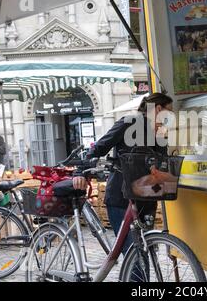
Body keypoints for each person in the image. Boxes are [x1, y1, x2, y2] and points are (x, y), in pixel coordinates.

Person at [72, 93, 173, 255]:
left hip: (146, 200)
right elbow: (99, 147)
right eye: (170, 113)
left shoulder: (160, 133)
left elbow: (162, 163)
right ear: (159, 109)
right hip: (121, 199)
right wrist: (80, 172)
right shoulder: (129, 123)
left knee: (147, 252)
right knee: (135, 255)